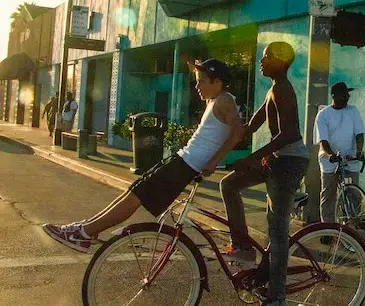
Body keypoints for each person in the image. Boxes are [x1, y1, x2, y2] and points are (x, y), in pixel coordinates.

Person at [42, 59, 244, 253]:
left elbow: (238, 132)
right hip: (183, 160)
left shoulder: (224, 100)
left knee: (137, 196)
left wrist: (213, 162)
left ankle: (83, 233)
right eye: (196, 80)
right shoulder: (216, 100)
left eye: (201, 81)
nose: (196, 86)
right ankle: (86, 228)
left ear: (217, 82)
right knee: (135, 190)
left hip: (187, 165)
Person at [219, 41, 308, 306]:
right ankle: (244, 247)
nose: (261, 59)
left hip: (290, 162)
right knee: (229, 185)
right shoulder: (273, 89)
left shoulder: (284, 90)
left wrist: (252, 157)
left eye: (267, 56)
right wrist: (216, 148)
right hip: (278, 159)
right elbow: (250, 126)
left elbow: (290, 134)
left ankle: (276, 297)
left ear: (280, 62)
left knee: (277, 232)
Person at [314, 82, 365, 224]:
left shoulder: (353, 111)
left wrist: (359, 151)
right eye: (344, 95)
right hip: (329, 159)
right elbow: (323, 141)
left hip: (350, 158)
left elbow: (359, 134)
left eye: (348, 94)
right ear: (334, 96)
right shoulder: (323, 115)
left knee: (354, 194)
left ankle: (353, 224)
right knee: (328, 195)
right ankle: (327, 227)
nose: (347, 97)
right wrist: (331, 155)